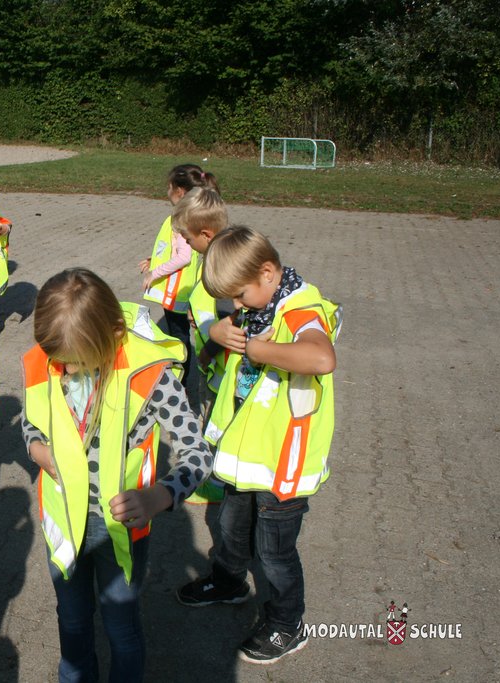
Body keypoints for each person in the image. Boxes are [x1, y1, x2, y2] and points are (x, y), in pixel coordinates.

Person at [22, 268, 214, 682]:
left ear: (110, 335)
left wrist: (158, 498)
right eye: (60, 362)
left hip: (120, 530)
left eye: (76, 362)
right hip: (62, 522)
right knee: (71, 623)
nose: (67, 371)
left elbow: (197, 455)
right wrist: (37, 449)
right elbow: (31, 421)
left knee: (120, 628)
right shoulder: (47, 358)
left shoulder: (152, 376)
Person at [176, 226, 341, 665]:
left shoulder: (301, 310)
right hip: (245, 454)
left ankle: (288, 625)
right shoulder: (259, 305)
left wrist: (259, 351)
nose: (237, 306)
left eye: (241, 296)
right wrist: (218, 335)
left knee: (275, 552)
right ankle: (229, 581)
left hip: (282, 461)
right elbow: (226, 343)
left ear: (268, 272)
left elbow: (321, 358)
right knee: (231, 526)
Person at [139, 164, 220, 378]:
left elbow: (183, 257)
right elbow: (180, 251)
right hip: (183, 292)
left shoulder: (181, 220)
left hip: (177, 294)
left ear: (180, 192)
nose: (166, 192)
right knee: (180, 335)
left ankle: (180, 382)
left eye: (169, 187)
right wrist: (154, 260)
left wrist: (153, 273)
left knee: (179, 339)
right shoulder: (193, 216)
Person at [171, 187, 231, 418]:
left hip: (221, 375)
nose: (187, 243)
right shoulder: (213, 256)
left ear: (206, 234)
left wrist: (206, 353)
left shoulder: (223, 267)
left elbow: (231, 321)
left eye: (188, 239)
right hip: (215, 369)